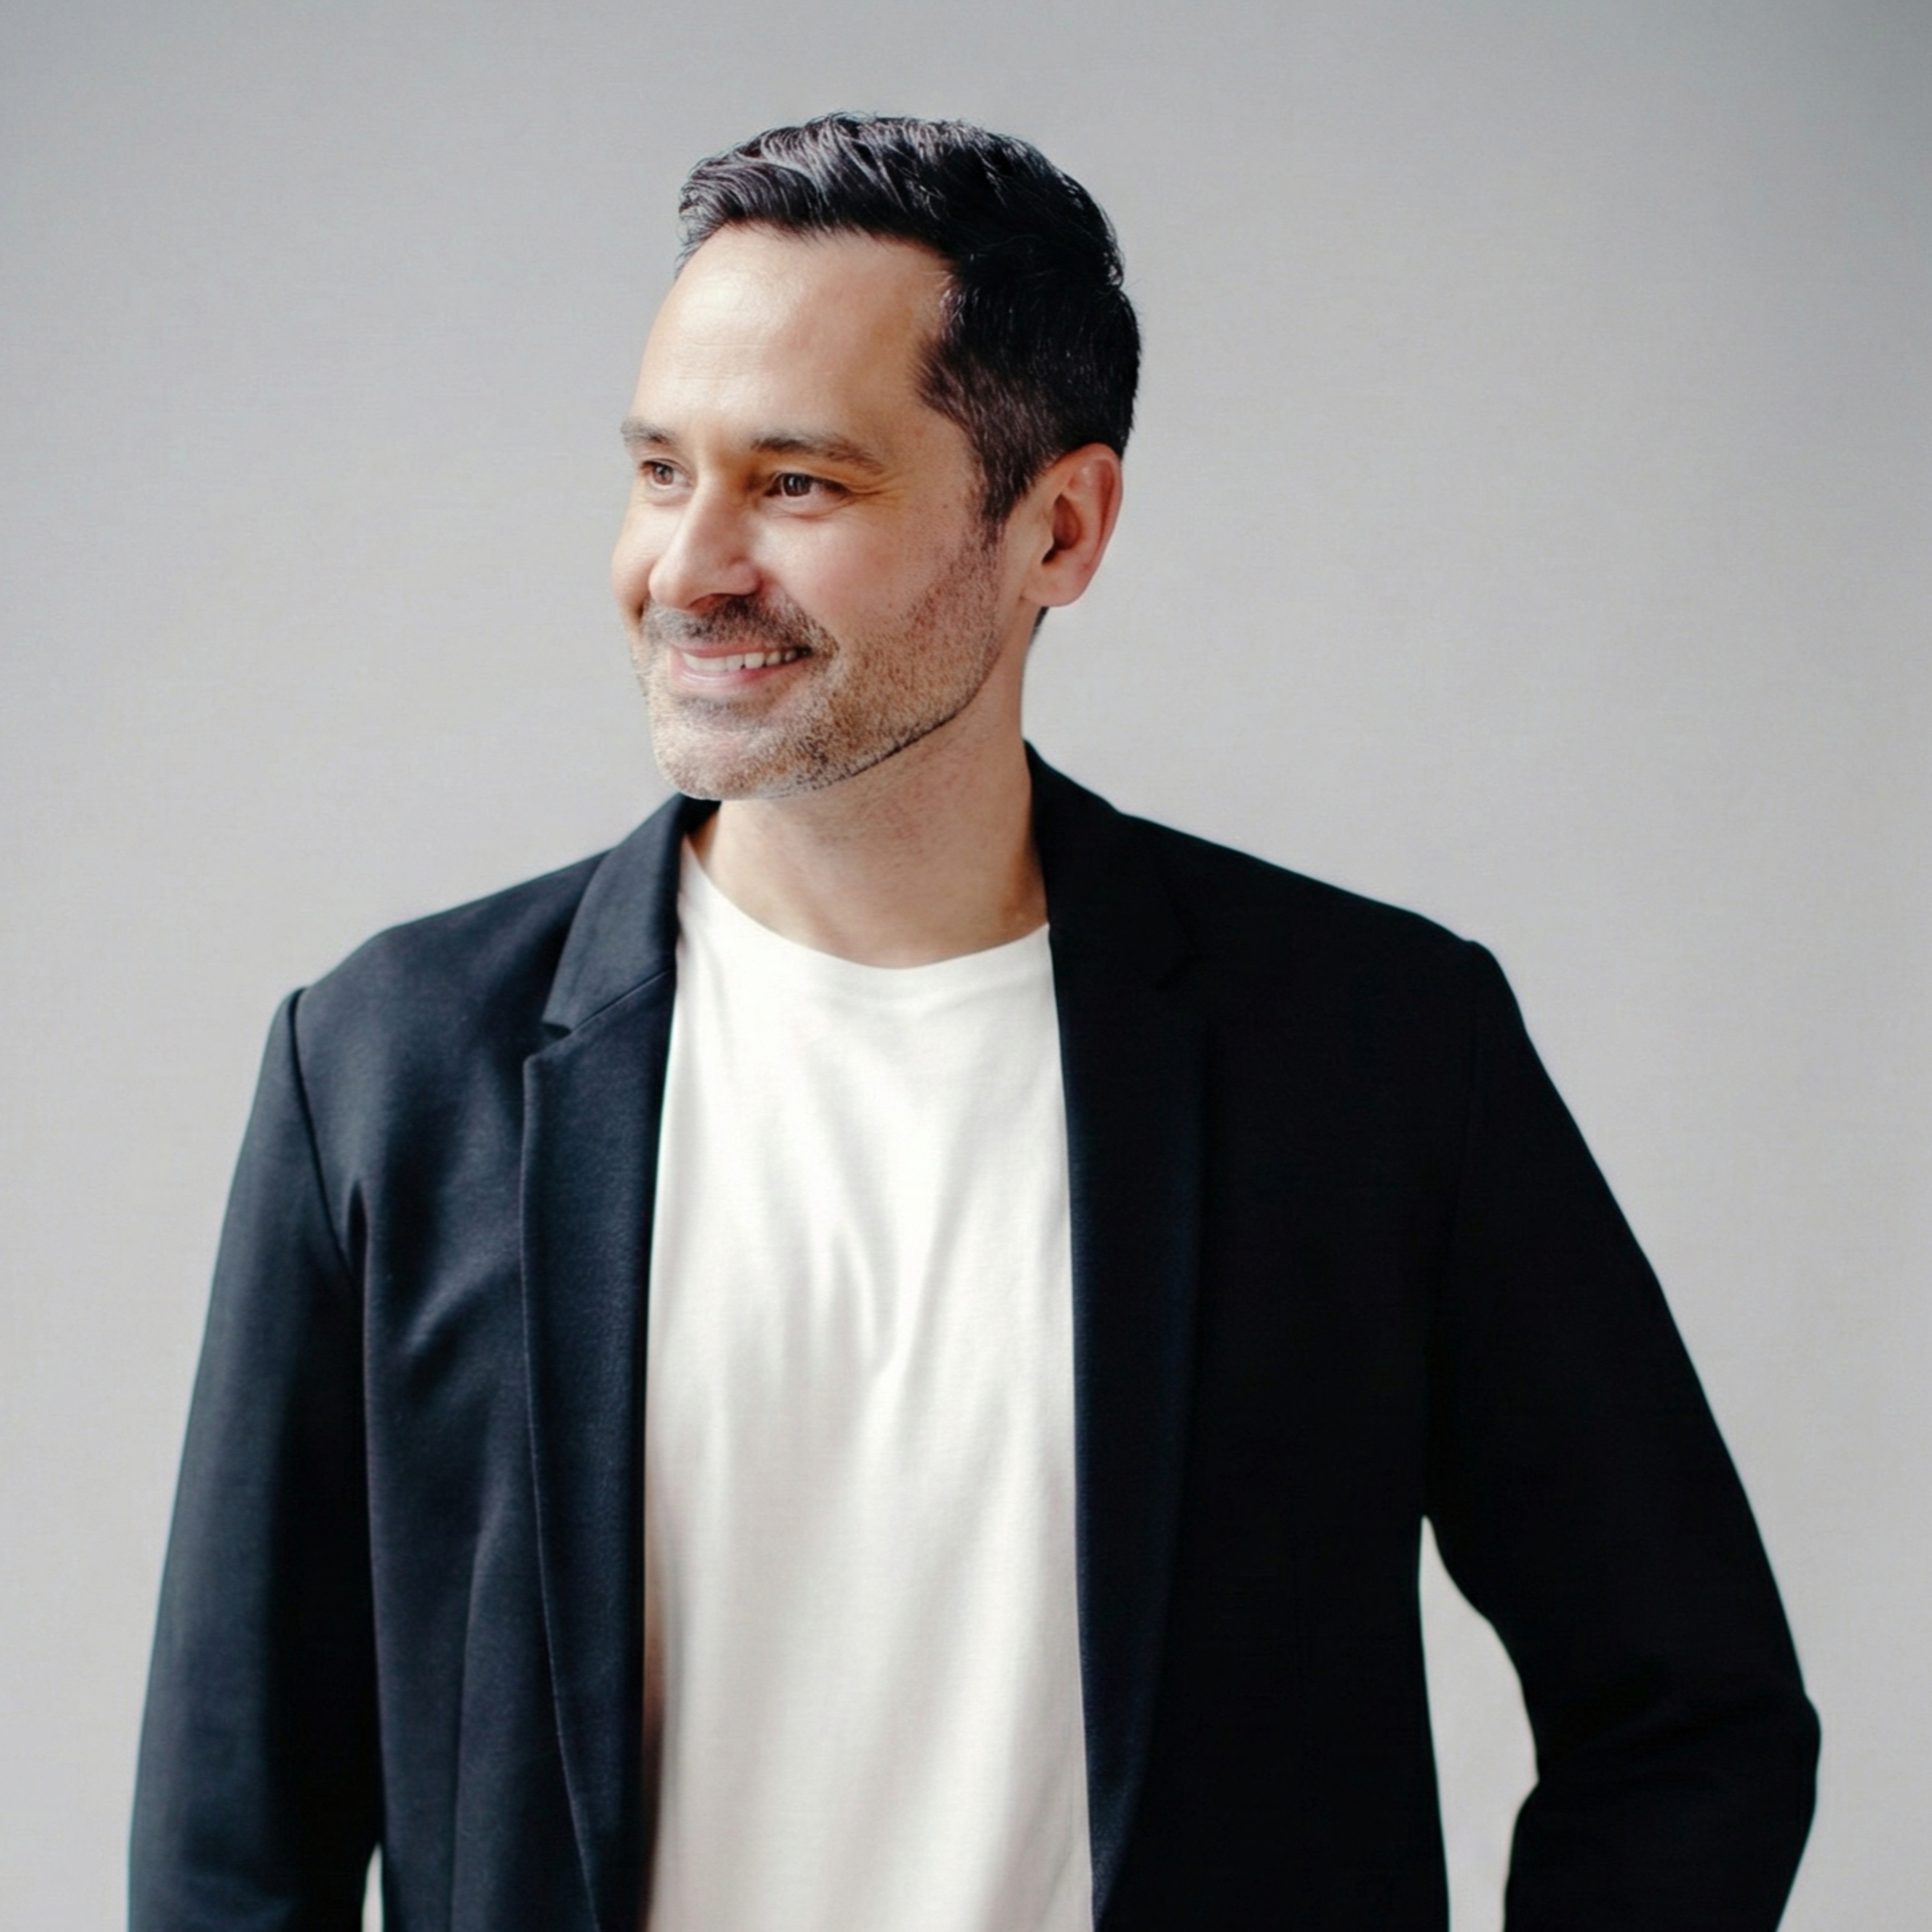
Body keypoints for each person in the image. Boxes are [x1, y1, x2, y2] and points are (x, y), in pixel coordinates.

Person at [131, 113, 1818, 1932]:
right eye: (660, 470)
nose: (686, 567)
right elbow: (235, 1840)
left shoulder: (1378, 1056)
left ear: (1058, 528)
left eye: (797, 484)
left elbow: (1690, 1718)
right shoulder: (390, 1068)